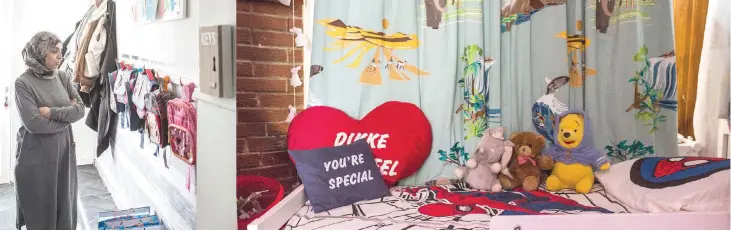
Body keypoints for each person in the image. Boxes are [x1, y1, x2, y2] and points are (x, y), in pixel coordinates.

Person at [14, 31, 85, 230]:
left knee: (64, 209)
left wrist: (51, 112)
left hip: (63, 154)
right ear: (41, 53)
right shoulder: (23, 83)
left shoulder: (62, 77)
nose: (60, 56)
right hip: (37, 158)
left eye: (60, 51)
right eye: (54, 51)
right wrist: (66, 117)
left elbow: (80, 110)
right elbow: (34, 124)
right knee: (40, 213)